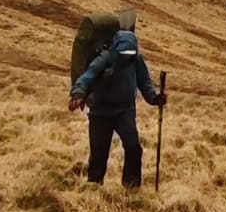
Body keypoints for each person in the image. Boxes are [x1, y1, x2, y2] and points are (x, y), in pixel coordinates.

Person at [69, 30, 166, 187]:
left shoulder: (136, 61)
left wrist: (154, 98)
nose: (127, 56)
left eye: (131, 52)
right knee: (99, 155)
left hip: (125, 112)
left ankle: (131, 187)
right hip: (100, 113)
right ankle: (94, 186)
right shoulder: (105, 58)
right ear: (116, 49)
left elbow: (145, 83)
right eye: (124, 52)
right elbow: (88, 76)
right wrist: (78, 93)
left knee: (134, 148)